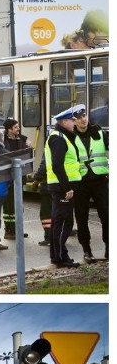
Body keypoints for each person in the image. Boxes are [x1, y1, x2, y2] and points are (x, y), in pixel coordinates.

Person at [45, 105, 83, 268]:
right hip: (62, 188)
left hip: (60, 186)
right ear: (64, 122)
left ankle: (56, 256)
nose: (75, 123)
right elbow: (57, 165)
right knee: (64, 223)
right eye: (72, 121)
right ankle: (61, 257)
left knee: (59, 222)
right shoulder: (59, 138)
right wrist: (67, 188)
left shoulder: (61, 136)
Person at [72, 105, 109, 262]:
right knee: (82, 218)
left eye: (84, 115)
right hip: (80, 183)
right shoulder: (70, 137)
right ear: (74, 121)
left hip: (100, 181)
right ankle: (86, 250)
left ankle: (109, 247)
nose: (83, 119)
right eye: (79, 117)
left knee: (107, 216)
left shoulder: (100, 133)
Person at [2, 118, 32, 240]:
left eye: (18, 126)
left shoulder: (22, 138)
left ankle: (18, 230)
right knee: (8, 205)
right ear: (9, 130)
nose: (18, 129)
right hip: (7, 177)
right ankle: (9, 230)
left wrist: (29, 143)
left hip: (20, 177)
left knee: (19, 204)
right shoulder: (2, 140)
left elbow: (27, 146)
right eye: (15, 127)